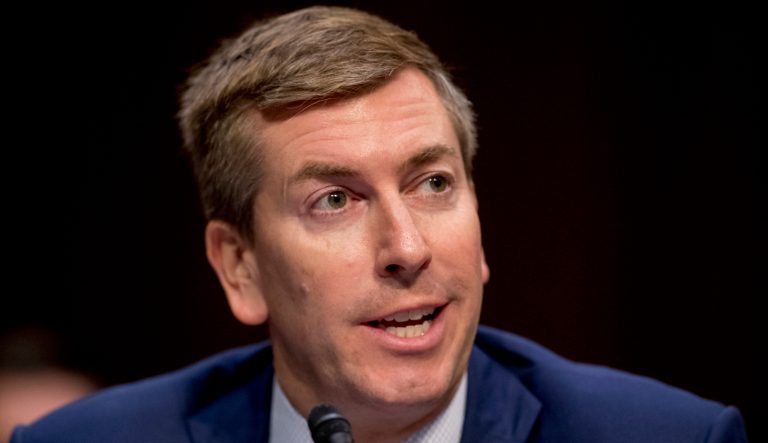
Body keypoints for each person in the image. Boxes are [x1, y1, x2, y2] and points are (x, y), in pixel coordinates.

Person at [11, 6, 748, 443]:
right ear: (240, 265)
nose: (407, 248)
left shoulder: (665, 437)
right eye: (336, 199)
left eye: (433, 183)